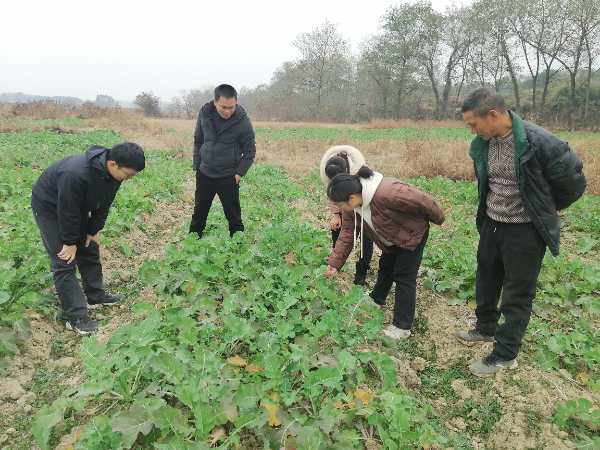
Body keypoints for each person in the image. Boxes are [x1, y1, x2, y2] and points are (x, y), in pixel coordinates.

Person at [457, 87, 586, 376]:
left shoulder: (538, 142)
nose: (472, 131)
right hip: (493, 222)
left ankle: (505, 354)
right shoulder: (485, 142)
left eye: (473, 125)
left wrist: (549, 206)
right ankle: (485, 328)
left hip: (525, 230)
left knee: (517, 292)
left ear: (493, 115)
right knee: (486, 277)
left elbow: (574, 180)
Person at [31, 142, 146, 334]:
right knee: (64, 261)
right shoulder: (75, 173)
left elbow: (104, 204)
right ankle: (76, 317)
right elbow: (67, 210)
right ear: (112, 164)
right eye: (129, 174)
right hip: (50, 207)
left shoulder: (113, 175)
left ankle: (96, 295)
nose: (130, 178)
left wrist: (92, 231)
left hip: (76, 206)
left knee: (89, 247)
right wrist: (68, 242)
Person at [324, 165, 445, 340]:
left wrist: (439, 219)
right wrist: (335, 263)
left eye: (338, 204)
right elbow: (347, 234)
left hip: (412, 234)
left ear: (351, 197)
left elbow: (423, 201)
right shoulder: (352, 208)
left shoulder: (388, 191)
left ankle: (402, 326)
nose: (338, 208)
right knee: (386, 266)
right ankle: (377, 298)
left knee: (404, 277)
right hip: (390, 237)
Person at [189, 84, 256, 238]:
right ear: (215, 102)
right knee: (199, 210)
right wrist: (197, 166)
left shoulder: (242, 121)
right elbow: (198, 140)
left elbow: (250, 151)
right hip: (204, 172)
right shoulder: (205, 114)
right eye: (224, 107)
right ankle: (192, 240)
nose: (228, 111)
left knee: (233, 215)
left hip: (228, 176)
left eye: (232, 107)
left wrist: (238, 174)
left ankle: (237, 243)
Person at [320, 145, 374, 286]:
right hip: (346, 207)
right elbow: (333, 196)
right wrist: (337, 215)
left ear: (345, 171)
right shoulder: (331, 174)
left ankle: (361, 274)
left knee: (366, 240)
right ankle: (336, 264)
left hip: (364, 208)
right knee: (338, 229)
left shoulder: (361, 172)